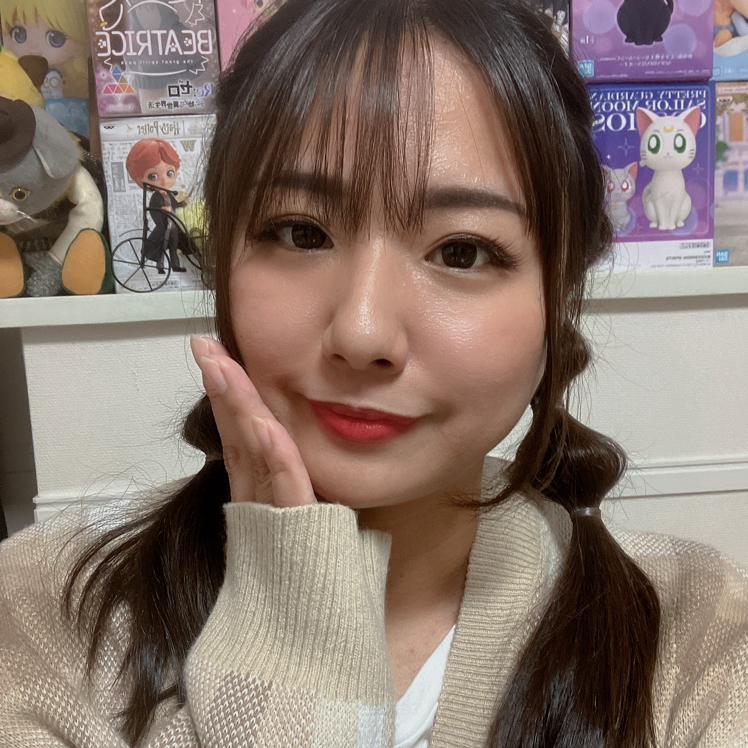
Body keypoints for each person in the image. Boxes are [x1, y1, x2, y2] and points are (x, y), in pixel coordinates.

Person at [1, 0, 746, 746]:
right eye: (301, 232)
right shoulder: (44, 612)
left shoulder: (697, 639)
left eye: (461, 251)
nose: (361, 332)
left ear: (560, 290)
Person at [125, 138, 188, 274]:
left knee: (174, 246)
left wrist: (182, 204)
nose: (164, 180)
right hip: (165, 227)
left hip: (173, 227)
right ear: (140, 179)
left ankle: (175, 265)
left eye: (169, 173)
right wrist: (165, 212)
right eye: (153, 176)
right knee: (162, 247)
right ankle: (160, 266)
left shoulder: (170, 194)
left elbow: (176, 206)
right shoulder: (156, 198)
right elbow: (154, 213)